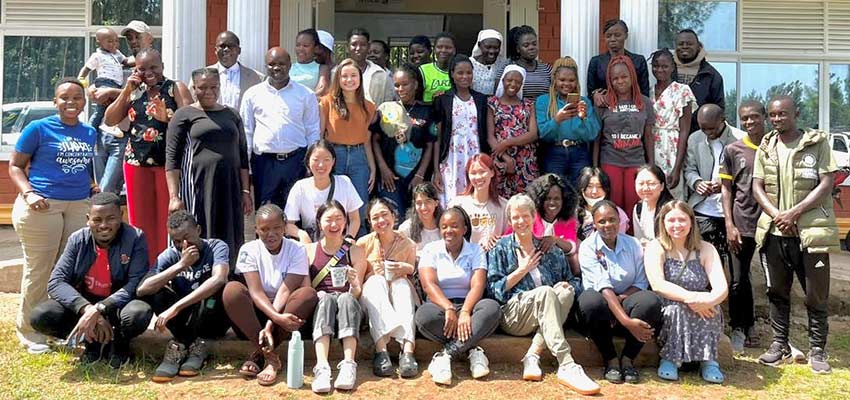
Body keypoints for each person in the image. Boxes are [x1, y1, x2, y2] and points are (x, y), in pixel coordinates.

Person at [753, 96, 839, 374]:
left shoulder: (818, 143)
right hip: (775, 233)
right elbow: (757, 186)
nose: (777, 119)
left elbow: (827, 182)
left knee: (816, 294)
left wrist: (794, 213)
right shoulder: (766, 146)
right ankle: (779, 345)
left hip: (810, 233)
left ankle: (817, 350)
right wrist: (779, 215)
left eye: (783, 114)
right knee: (777, 292)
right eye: (773, 115)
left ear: (796, 113)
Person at [10, 78, 97, 353]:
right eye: (64, 98)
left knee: (65, 272)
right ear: (54, 101)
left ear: (85, 102)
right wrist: (29, 193)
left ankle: (55, 327)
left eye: (76, 98)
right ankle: (29, 332)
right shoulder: (38, 128)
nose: (71, 103)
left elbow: (83, 167)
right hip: (42, 206)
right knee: (40, 270)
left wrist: (93, 188)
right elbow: (15, 166)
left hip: (78, 205)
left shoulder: (88, 131)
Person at [487, 194, 599, 396]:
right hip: (514, 315)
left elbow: (575, 281)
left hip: (546, 314)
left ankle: (533, 354)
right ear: (510, 221)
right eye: (515, 217)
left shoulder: (549, 249)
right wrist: (521, 270)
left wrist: (567, 284)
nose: (521, 221)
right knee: (547, 292)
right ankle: (566, 363)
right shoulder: (500, 249)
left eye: (525, 216)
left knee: (564, 292)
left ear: (533, 217)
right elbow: (494, 290)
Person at [29, 192, 153, 367]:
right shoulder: (78, 240)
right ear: (88, 219)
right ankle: (91, 342)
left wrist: (101, 309)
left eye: (111, 218)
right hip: (86, 303)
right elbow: (56, 282)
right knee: (41, 316)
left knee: (139, 312)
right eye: (97, 219)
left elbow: (136, 283)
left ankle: (119, 343)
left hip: (117, 305)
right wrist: (88, 309)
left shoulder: (135, 238)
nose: (104, 225)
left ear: (121, 216)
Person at [103, 48, 193, 263]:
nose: (148, 72)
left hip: (169, 164)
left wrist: (168, 119)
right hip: (136, 162)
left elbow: (190, 121)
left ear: (162, 66)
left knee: (167, 219)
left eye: (154, 67)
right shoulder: (134, 91)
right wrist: (126, 90)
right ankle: (144, 268)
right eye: (142, 69)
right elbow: (109, 119)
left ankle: (167, 266)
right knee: (140, 220)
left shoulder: (174, 88)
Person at [222, 204, 319, 386]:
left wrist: (273, 323)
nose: (271, 234)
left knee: (307, 294)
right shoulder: (248, 250)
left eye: (276, 228)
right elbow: (256, 292)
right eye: (264, 229)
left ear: (284, 227)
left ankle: (258, 355)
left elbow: (285, 290)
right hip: (255, 320)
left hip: (284, 318)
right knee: (232, 290)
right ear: (256, 229)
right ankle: (270, 358)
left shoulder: (297, 249)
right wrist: (274, 317)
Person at [166, 68, 251, 266]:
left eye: (214, 87)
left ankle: (228, 276)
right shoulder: (184, 114)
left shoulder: (232, 115)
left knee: (229, 230)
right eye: (202, 88)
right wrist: (174, 196)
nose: (209, 91)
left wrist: (245, 190)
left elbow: (242, 156)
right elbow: (172, 159)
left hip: (229, 187)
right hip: (197, 186)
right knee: (197, 230)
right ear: (193, 88)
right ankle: (197, 274)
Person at [136, 211, 230, 382]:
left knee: (217, 290)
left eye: (187, 237)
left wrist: (175, 307)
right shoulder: (171, 255)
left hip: (210, 314)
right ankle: (190, 345)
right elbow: (142, 289)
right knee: (156, 292)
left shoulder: (216, 246)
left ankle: (187, 343)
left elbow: (219, 279)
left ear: (199, 230)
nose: (183, 244)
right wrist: (181, 265)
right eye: (177, 241)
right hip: (185, 319)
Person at [577, 200, 662, 384]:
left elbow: (641, 282)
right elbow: (603, 285)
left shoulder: (632, 244)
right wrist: (626, 321)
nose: (608, 225)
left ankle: (628, 359)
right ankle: (611, 359)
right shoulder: (587, 247)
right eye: (602, 221)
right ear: (594, 223)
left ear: (619, 220)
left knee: (650, 301)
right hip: (601, 308)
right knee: (591, 301)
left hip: (625, 299)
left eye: (612, 220)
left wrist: (621, 300)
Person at [415, 206, 501, 385]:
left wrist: (465, 312)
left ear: (464, 229)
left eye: (454, 226)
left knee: (492, 309)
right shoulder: (431, 249)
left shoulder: (475, 250)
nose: (448, 231)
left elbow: (478, 284)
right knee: (423, 316)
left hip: (469, 305)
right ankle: (472, 349)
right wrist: (448, 308)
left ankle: (446, 354)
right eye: (444, 226)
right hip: (439, 308)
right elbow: (428, 284)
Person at [645, 201, 728, 383]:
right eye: (671, 220)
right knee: (677, 310)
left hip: (702, 303)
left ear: (691, 222)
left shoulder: (706, 248)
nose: (677, 225)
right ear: (663, 223)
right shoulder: (656, 247)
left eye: (682, 220)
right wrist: (692, 298)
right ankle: (671, 358)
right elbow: (658, 284)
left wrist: (708, 301)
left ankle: (708, 360)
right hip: (669, 301)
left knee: (713, 309)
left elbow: (721, 287)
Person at [241, 47, 320, 210]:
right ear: (265, 66)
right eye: (271, 64)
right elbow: (246, 132)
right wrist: (246, 166)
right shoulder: (252, 94)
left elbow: (312, 130)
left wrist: (311, 163)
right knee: (265, 213)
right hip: (264, 163)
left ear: (290, 65)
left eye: (281, 64)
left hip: (296, 161)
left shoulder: (305, 94)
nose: (276, 68)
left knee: (295, 213)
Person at [719, 100, 766, 352]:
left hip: (772, 223)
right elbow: (726, 189)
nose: (749, 122)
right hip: (742, 221)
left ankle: (776, 333)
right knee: (738, 279)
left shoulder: (775, 147)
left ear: (764, 117)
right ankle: (740, 327)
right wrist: (729, 223)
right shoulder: (733, 149)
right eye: (745, 118)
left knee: (776, 281)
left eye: (754, 117)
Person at [307, 201, 369, 393]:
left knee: (345, 298)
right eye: (329, 220)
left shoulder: (356, 251)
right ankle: (322, 367)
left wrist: (355, 284)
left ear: (345, 222)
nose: (334, 225)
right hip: (321, 307)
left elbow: (356, 293)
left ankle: (349, 364)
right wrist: (317, 294)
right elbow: (304, 287)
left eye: (339, 219)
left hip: (347, 308)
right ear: (319, 223)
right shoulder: (309, 251)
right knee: (325, 298)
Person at [87, 20, 154, 195]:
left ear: (150, 38)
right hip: (103, 132)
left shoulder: (154, 66)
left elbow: (145, 95)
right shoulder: (119, 63)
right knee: (100, 190)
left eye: (137, 36)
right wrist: (92, 88)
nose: (133, 41)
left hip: (127, 137)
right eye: (129, 38)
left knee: (107, 191)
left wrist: (110, 91)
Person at [356, 199, 419, 378]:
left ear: (393, 216)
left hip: (398, 297)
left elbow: (411, 271)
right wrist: (371, 274)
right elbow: (359, 282)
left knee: (402, 284)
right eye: (375, 217)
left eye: (385, 214)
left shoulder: (408, 244)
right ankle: (381, 351)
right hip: (373, 298)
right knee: (376, 282)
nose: (381, 220)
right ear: (369, 221)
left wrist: (405, 269)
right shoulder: (362, 244)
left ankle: (407, 351)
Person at [320, 58, 378, 235]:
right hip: (335, 156)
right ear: (338, 78)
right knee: (335, 207)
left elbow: (366, 139)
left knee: (360, 208)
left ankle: (357, 250)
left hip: (359, 158)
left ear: (360, 79)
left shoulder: (369, 106)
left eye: (353, 75)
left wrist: (373, 168)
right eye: (344, 76)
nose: (349, 79)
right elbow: (320, 136)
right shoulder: (326, 102)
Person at [594, 55, 655, 217]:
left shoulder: (645, 103)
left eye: (624, 77)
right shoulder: (603, 103)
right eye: (615, 78)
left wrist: (651, 165)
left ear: (632, 77)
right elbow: (597, 138)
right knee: (612, 208)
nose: (620, 81)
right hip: (610, 161)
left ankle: (634, 242)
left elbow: (648, 136)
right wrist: (595, 168)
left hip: (636, 162)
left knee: (635, 209)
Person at [684, 104, 744, 266]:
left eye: (712, 129)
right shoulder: (695, 138)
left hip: (732, 213)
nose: (708, 133)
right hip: (702, 210)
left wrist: (725, 184)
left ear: (723, 120)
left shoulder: (740, 139)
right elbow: (689, 169)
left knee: (736, 271)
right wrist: (697, 183)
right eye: (704, 129)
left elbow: (747, 178)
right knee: (704, 266)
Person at [370, 63, 436, 212]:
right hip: (390, 178)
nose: (400, 89)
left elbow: (430, 145)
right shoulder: (385, 109)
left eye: (405, 84)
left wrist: (420, 175)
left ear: (415, 84)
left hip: (416, 177)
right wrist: (383, 168)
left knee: (417, 218)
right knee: (393, 217)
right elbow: (374, 140)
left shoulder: (426, 111)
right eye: (397, 85)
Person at [433, 55, 490, 203]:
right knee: (451, 200)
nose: (465, 76)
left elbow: (485, 132)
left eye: (469, 72)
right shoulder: (443, 100)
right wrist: (436, 169)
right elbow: (438, 138)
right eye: (460, 73)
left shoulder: (481, 100)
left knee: (475, 197)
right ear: (452, 74)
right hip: (451, 159)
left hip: (476, 156)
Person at [77, 27, 130, 184]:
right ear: (99, 41)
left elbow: (127, 62)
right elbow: (84, 71)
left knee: (111, 109)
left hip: (116, 84)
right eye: (110, 41)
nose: (114, 44)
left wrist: (141, 57)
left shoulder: (117, 54)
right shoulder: (97, 55)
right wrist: (85, 86)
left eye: (116, 41)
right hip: (104, 83)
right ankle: (89, 131)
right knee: (100, 110)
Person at [536, 57, 601, 185]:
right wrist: (556, 120)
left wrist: (583, 118)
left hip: (579, 152)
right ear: (554, 80)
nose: (567, 84)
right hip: (553, 152)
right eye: (562, 80)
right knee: (554, 190)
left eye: (571, 80)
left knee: (580, 192)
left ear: (576, 81)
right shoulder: (544, 101)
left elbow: (593, 134)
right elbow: (542, 134)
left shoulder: (584, 102)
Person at [285, 140, 363, 241]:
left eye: (326, 160)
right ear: (308, 161)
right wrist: (302, 234)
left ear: (333, 161)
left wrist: (348, 238)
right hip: (312, 244)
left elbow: (355, 219)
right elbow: (288, 224)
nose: (321, 165)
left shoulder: (344, 182)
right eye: (316, 160)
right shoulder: (300, 187)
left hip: (340, 242)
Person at [649, 48, 696, 200]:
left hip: (673, 148)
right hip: (652, 147)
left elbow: (684, 130)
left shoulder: (682, 91)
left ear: (672, 67)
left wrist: (677, 168)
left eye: (664, 66)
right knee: (653, 194)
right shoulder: (648, 92)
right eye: (655, 66)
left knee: (674, 197)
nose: (659, 69)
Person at [488, 65, 539, 198]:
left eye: (517, 82)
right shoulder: (492, 104)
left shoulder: (528, 105)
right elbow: (490, 136)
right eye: (509, 80)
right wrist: (506, 158)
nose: (513, 84)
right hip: (501, 159)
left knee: (526, 200)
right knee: (500, 200)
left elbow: (533, 134)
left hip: (525, 160)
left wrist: (507, 142)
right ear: (503, 80)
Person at [517, 174, 581, 275]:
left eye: (557, 199)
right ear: (540, 199)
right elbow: (511, 236)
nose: (552, 203)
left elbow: (571, 247)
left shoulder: (568, 219)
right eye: (547, 198)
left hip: (557, 266)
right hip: (529, 262)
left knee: (575, 261)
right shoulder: (530, 216)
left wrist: (555, 239)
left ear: (564, 200)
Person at [449, 154, 507, 251]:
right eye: (473, 173)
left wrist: (498, 241)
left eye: (482, 172)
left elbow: (510, 238)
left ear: (492, 172)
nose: (478, 177)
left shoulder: (504, 206)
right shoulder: (457, 205)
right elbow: (450, 238)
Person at [587, 19, 650, 106]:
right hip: (605, 110)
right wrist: (594, 94)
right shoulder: (596, 62)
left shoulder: (638, 61)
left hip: (632, 110)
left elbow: (644, 92)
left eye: (617, 35)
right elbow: (590, 91)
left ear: (626, 35)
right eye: (608, 36)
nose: (612, 39)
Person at [196, 31, 264, 110]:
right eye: (222, 46)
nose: (226, 49)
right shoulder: (200, 76)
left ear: (239, 50)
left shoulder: (255, 77)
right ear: (215, 50)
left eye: (231, 46)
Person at [674, 29, 725, 133]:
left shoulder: (711, 75)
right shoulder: (667, 70)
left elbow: (718, 110)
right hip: (670, 134)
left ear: (698, 46)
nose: (684, 46)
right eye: (681, 44)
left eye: (689, 43)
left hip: (699, 135)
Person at [338, 28, 394, 106]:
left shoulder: (381, 75)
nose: (358, 48)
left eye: (362, 45)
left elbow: (389, 105)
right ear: (347, 47)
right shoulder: (336, 73)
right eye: (354, 44)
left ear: (368, 47)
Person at [493, 25, 552, 100]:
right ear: (518, 49)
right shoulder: (508, 68)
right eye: (526, 45)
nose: (531, 47)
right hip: (518, 110)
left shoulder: (546, 69)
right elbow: (498, 94)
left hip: (543, 110)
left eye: (534, 44)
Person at [576, 167, 630, 241]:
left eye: (599, 187)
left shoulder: (618, 213)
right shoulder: (572, 213)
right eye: (590, 186)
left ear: (606, 189)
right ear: (582, 188)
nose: (594, 192)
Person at [632, 164, 675, 245]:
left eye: (651, 183)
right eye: (641, 184)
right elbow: (639, 239)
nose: (645, 188)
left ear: (662, 186)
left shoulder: (672, 209)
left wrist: (653, 246)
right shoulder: (638, 208)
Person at [399, 182, 444, 253]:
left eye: (428, 202)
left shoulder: (445, 226)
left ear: (436, 203)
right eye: (419, 203)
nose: (423, 207)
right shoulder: (406, 228)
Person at [292, 28, 331, 95]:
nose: (301, 49)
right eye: (298, 45)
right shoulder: (289, 68)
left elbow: (322, 89)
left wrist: (303, 101)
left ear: (316, 48)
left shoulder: (322, 69)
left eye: (305, 46)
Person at [419, 32, 457, 103]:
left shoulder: (460, 71)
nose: (443, 50)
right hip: (429, 111)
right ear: (434, 49)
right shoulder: (422, 70)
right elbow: (417, 99)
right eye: (439, 47)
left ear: (454, 50)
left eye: (448, 47)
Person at [470, 29, 509, 96]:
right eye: (488, 47)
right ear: (479, 45)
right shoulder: (469, 64)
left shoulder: (504, 64)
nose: (492, 51)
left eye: (496, 47)